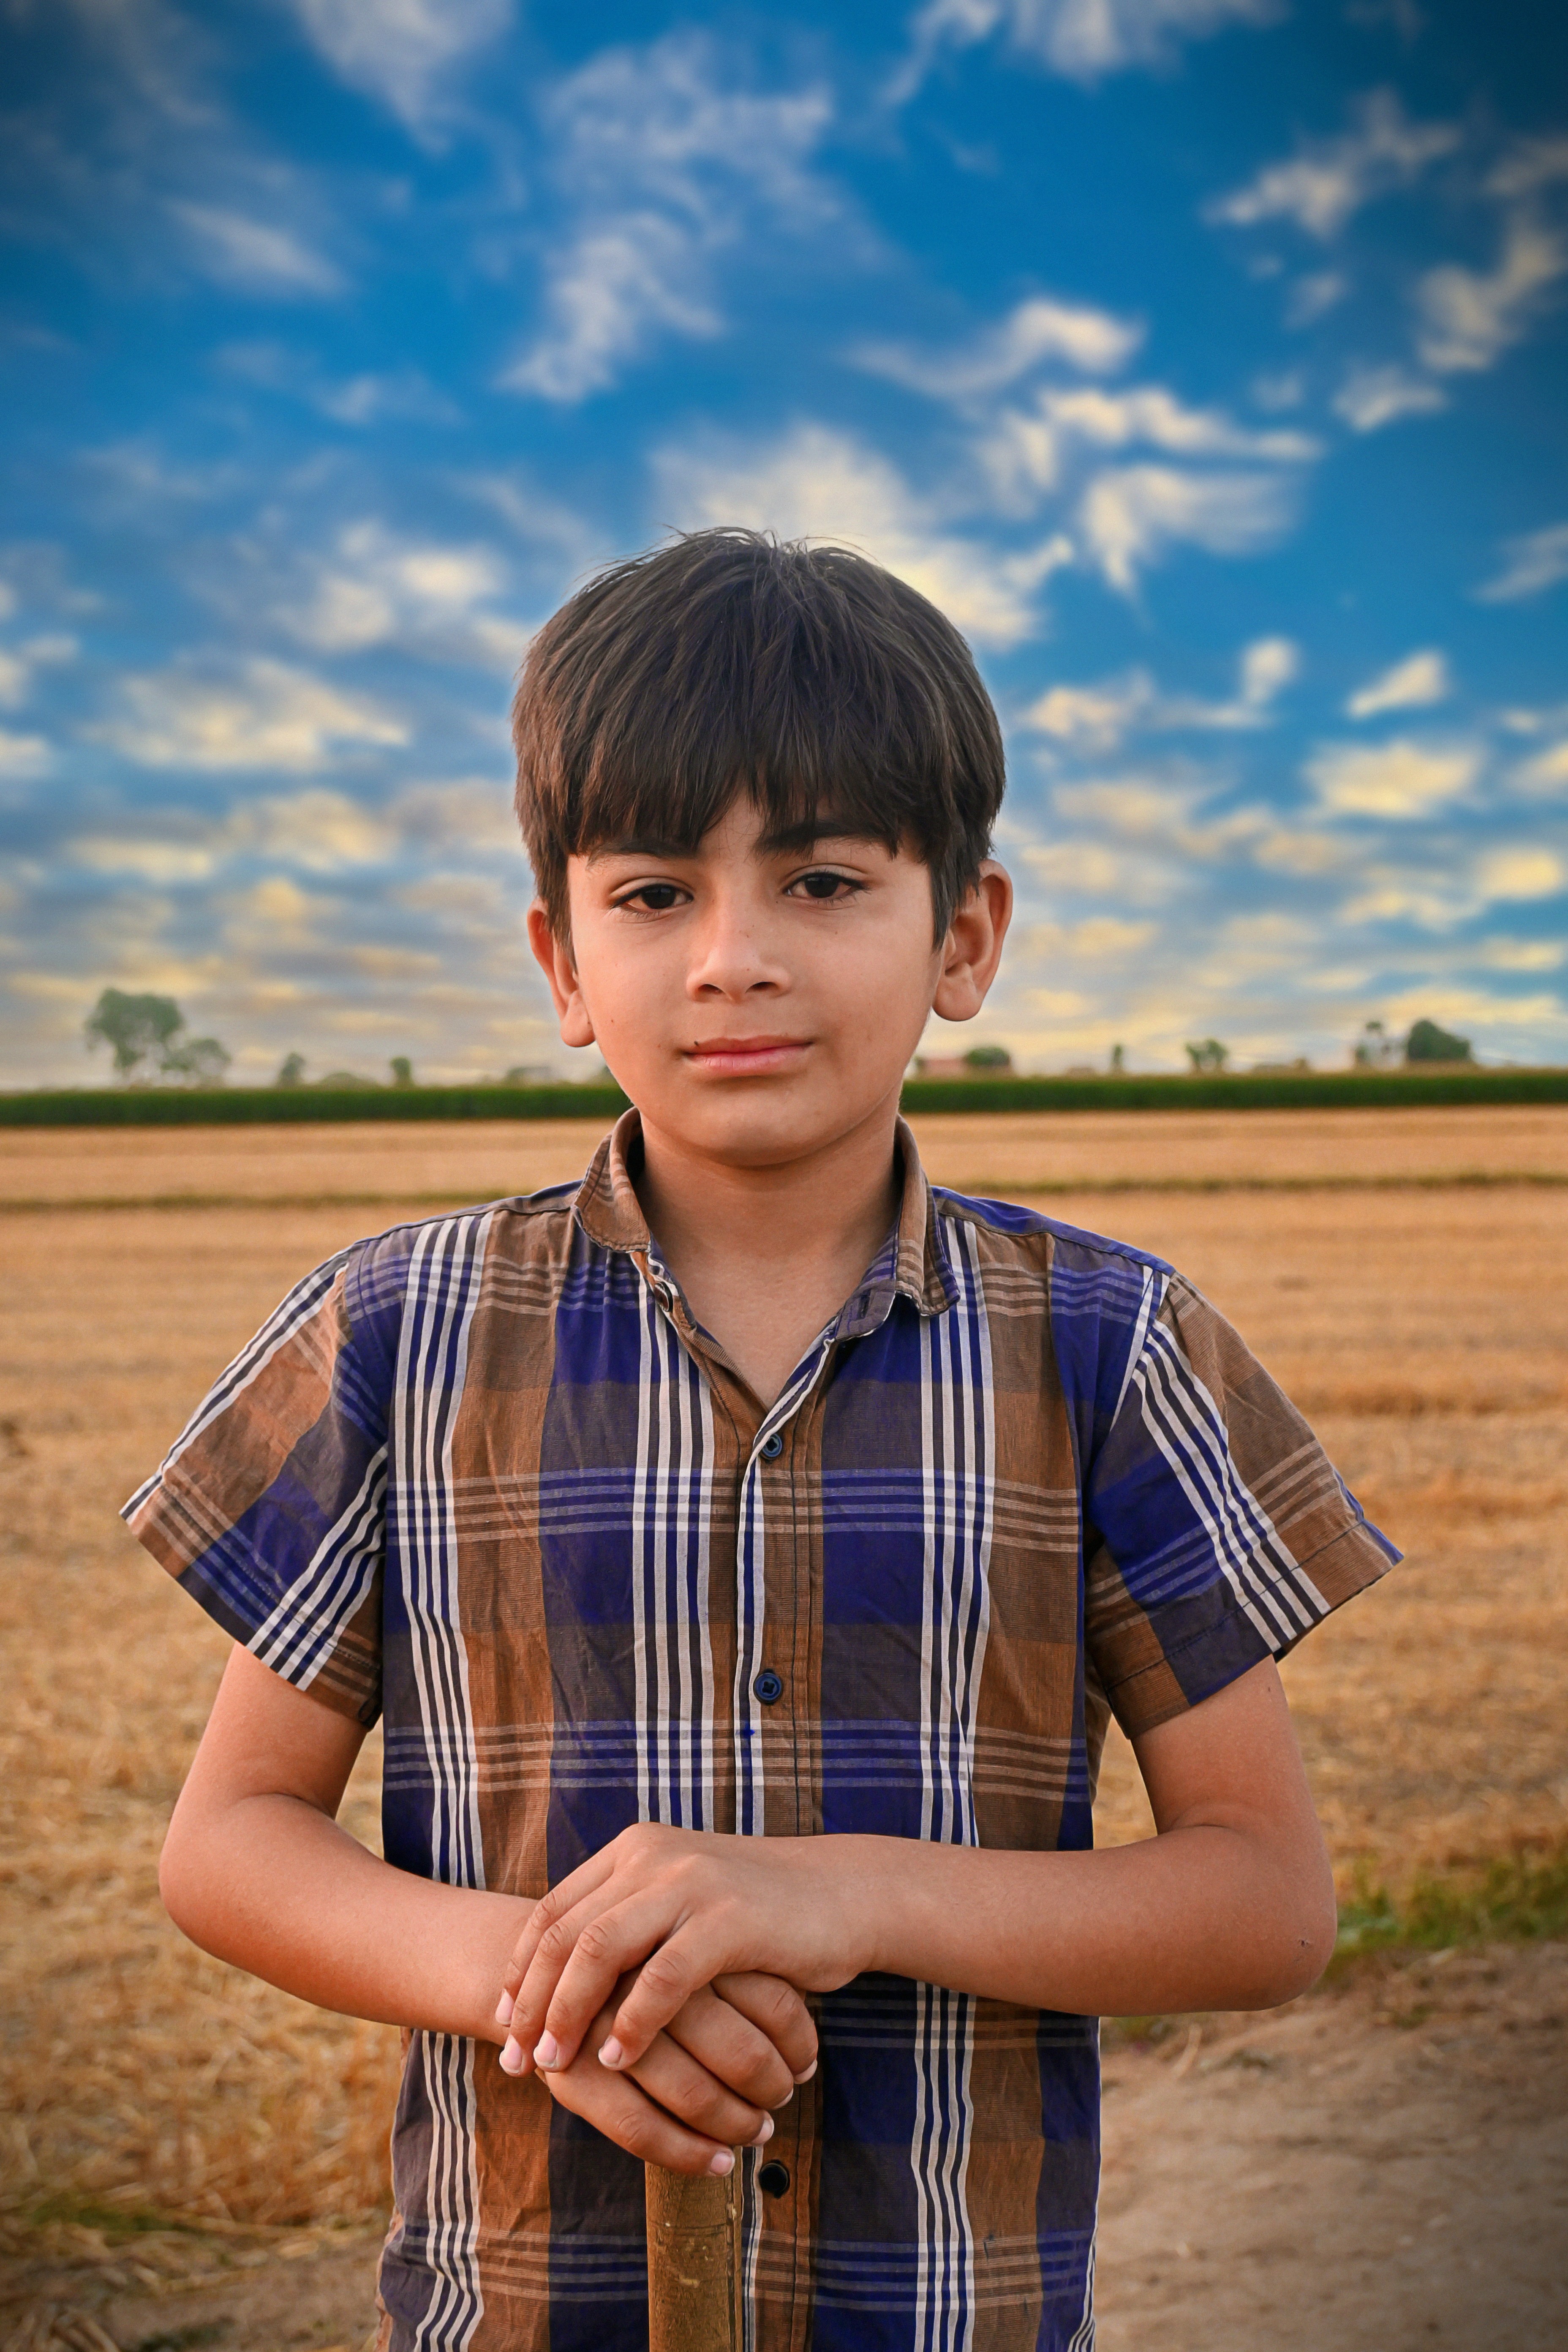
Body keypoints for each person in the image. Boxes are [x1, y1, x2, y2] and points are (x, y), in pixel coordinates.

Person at [129, 529, 1399, 2352]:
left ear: (963, 936)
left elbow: (1264, 1901)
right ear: (563, 961)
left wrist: (835, 1894)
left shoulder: (1109, 1346)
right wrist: (549, 1985)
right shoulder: (400, 1331)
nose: (733, 959)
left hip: (945, 2310)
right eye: (655, 896)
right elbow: (229, 1843)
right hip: (518, 2313)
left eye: (818, 880)